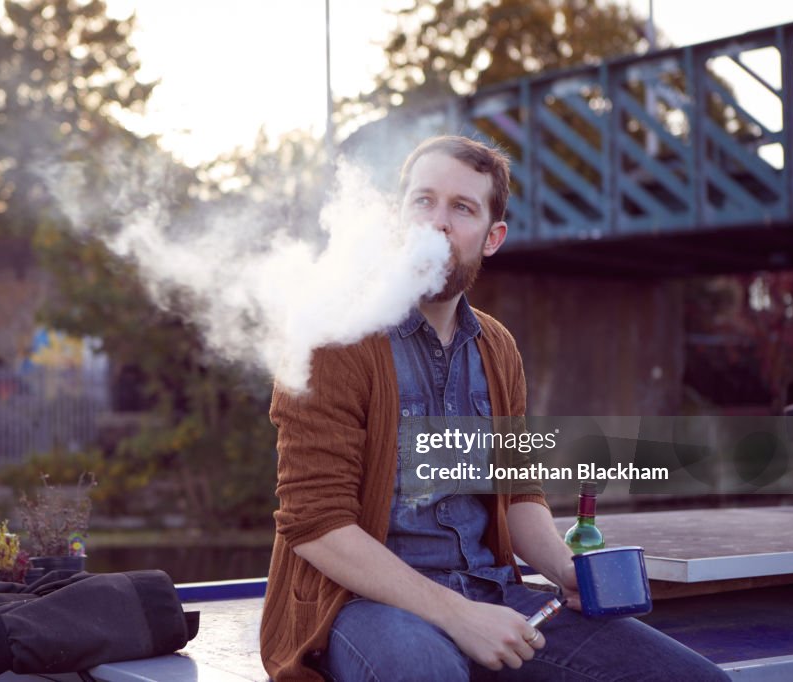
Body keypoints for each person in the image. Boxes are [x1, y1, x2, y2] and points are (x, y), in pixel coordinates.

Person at [259, 136, 728, 681]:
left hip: (491, 590)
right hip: (360, 604)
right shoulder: (333, 335)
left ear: (492, 237)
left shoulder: (497, 347)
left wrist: (562, 568)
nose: (438, 223)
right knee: (426, 670)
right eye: (423, 201)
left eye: (462, 208)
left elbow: (518, 494)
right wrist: (459, 617)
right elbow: (316, 524)